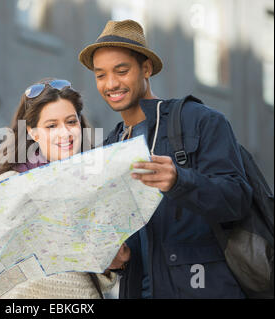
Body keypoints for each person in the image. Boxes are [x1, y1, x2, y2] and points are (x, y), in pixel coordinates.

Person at [78, 19, 252, 298]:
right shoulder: (109, 147)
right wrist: (114, 257)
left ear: (146, 68)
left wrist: (180, 181)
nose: (111, 83)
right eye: (101, 75)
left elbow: (238, 199)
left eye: (121, 71)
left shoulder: (199, 120)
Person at [0, 79, 117, 299]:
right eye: (51, 125)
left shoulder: (94, 185)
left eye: (71, 121)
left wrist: (114, 262)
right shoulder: (8, 185)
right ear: (33, 132)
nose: (65, 133)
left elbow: (102, 275)